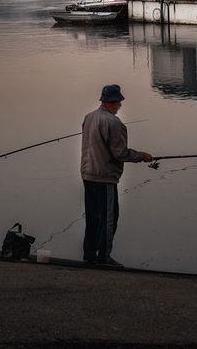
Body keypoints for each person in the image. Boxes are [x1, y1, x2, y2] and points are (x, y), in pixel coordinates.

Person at [80, 84, 152, 266]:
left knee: (92, 218)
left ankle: (89, 256)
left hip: (87, 175)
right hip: (104, 177)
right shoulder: (114, 123)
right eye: (119, 102)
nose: (120, 105)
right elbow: (120, 153)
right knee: (108, 219)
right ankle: (103, 258)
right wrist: (142, 156)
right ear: (112, 102)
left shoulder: (89, 117)